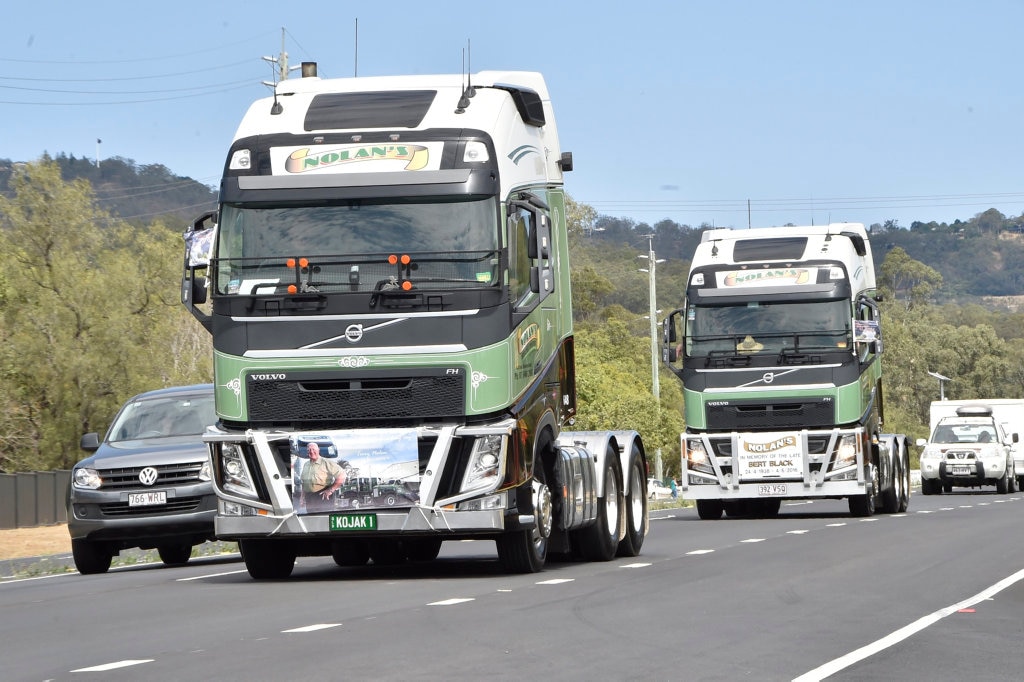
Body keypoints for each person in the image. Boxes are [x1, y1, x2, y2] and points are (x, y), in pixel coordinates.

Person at [299, 442, 346, 512]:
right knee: (310, 520)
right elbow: (304, 483)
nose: (311, 452)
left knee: (325, 520)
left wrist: (331, 490)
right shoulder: (306, 464)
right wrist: (302, 497)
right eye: (309, 450)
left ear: (318, 450)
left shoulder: (326, 462)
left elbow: (342, 475)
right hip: (309, 499)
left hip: (323, 498)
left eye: (313, 449)